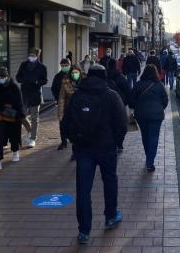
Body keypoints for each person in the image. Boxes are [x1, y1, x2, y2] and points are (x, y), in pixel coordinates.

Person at [63, 65, 127, 245]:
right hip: (106, 148)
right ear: (104, 76)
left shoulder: (77, 95)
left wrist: (75, 140)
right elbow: (122, 123)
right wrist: (117, 142)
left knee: (83, 189)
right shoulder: (111, 95)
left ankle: (84, 230)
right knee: (110, 181)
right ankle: (110, 216)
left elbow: (66, 122)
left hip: (83, 149)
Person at [131, 65, 169, 172]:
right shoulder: (159, 85)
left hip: (141, 115)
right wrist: (159, 108)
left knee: (145, 136)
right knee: (153, 138)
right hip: (156, 116)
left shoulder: (138, 85)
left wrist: (137, 107)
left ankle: (149, 156)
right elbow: (165, 100)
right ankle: (150, 161)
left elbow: (131, 100)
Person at [0, 67, 25, 172]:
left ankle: (15, 151)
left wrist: (18, 115)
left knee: (14, 135)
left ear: (7, 77)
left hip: (13, 116)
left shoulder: (14, 87)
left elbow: (19, 103)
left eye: (2, 77)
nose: (0, 79)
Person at [16, 47, 48, 148]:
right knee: (21, 115)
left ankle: (33, 138)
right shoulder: (23, 65)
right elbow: (18, 77)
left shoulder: (42, 67)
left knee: (34, 117)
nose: (31, 57)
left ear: (38, 56)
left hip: (35, 94)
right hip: (24, 93)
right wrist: (23, 80)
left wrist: (37, 82)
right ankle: (29, 131)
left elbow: (45, 80)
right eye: (30, 55)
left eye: (33, 55)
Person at [107, 58, 131, 153]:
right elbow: (127, 90)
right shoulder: (120, 76)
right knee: (121, 124)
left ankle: (110, 141)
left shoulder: (105, 76)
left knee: (108, 124)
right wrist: (129, 103)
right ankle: (119, 143)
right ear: (116, 65)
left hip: (106, 104)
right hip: (120, 104)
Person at [58, 65, 82, 152]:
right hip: (70, 110)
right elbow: (61, 98)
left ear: (80, 72)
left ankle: (76, 151)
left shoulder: (84, 82)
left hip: (81, 110)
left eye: (76, 72)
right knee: (71, 130)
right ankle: (73, 148)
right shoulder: (66, 83)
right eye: (72, 72)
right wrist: (61, 113)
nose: (74, 74)